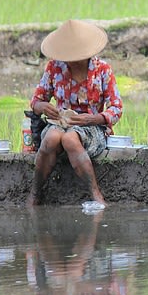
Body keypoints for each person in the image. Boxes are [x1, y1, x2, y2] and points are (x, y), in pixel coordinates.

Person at [27, 19, 123, 207]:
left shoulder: (102, 70)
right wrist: (43, 107)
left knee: (70, 139)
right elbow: (36, 101)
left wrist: (94, 118)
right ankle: (35, 192)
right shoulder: (54, 68)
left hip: (91, 127)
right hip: (60, 123)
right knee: (52, 138)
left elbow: (116, 108)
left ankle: (95, 193)